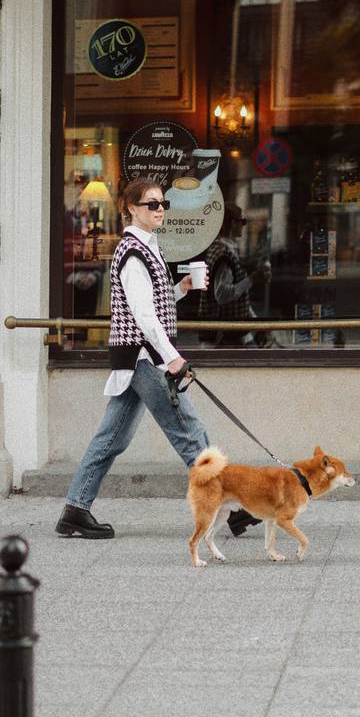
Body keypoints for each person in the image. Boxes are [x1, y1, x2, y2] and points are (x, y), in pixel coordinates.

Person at [56, 178, 259, 539]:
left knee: (110, 438)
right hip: (146, 358)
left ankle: (75, 508)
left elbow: (154, 304)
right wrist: (173, 358)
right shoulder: (134, 252)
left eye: (163, 203)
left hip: (135, 357)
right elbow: (144, 317)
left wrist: (178, 290)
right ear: (130, 208)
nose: (160, 209)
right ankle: (234, 510)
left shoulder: (146, 248)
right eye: (151, 204)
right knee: (190, 433)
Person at [196, 203, 271, 347]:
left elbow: (239, 296)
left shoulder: (226, 249)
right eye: (242, 221)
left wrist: (256, 322)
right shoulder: (223, 254)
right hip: (223, 334)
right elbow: (222, 295)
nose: (244, 225)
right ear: (233, 224)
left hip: (233, 330)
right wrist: (252, 279)